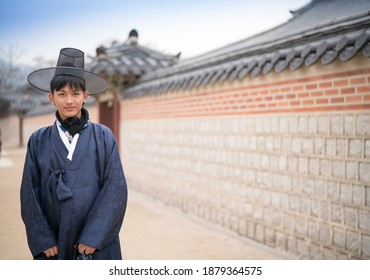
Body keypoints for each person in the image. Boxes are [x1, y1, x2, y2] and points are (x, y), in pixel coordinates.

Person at [20, 48, 128, 260]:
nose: (69, 101)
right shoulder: (38, 140)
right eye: (62, 94)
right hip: (54, 242)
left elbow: (115, 189)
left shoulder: (103, 136)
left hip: (94, 245)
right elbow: (29, 193)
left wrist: (94, 237)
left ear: (85, 96)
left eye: (75, 94)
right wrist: (43, 239)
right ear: (52, 98)